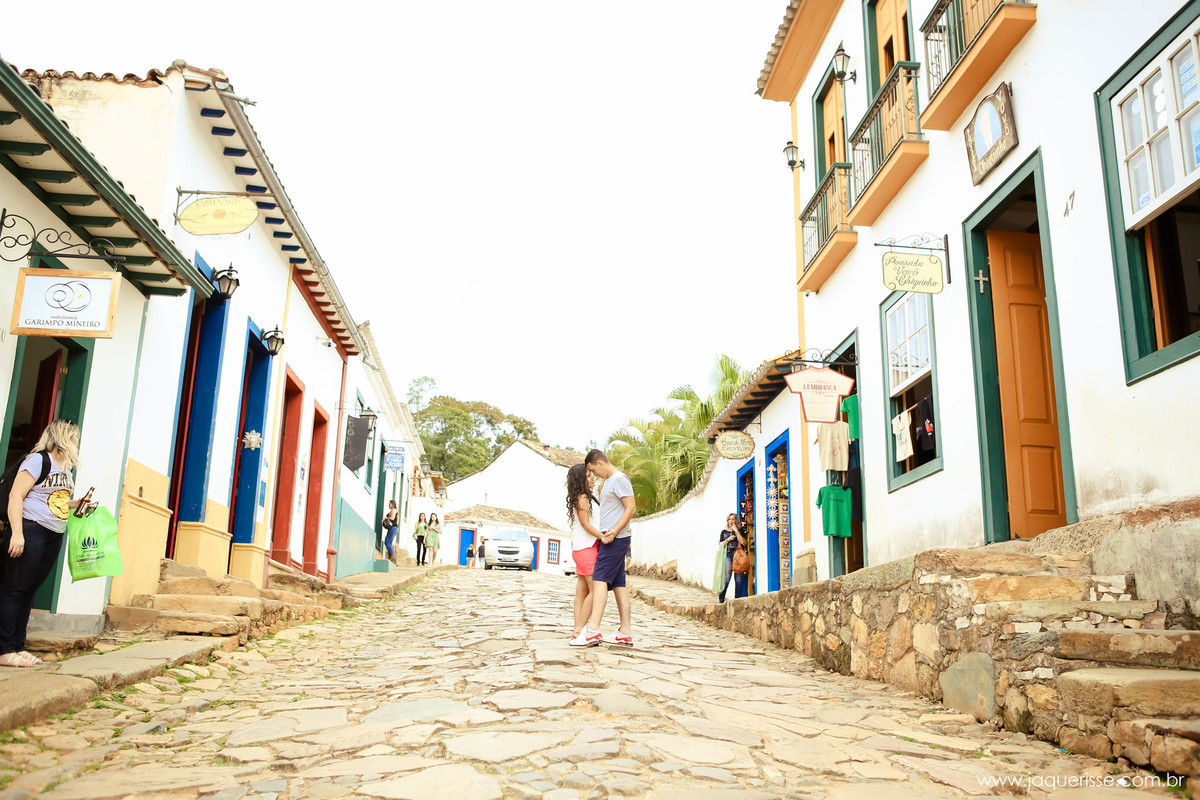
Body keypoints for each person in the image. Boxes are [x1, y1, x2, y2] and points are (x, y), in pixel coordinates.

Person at [1, 420, 90, 667]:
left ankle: (18, 646)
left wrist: (76, 503)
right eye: (74, 437)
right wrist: (17, 533)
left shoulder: (65, 468)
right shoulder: (38, 461)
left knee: (29, 590)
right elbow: (16, 496)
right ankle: (4, 650)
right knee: (16, 589)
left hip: (53, 533)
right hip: (31, 529)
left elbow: (52, 499)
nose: (77, 442)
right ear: (64, 438)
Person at [570, 449, 635, 647]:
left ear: (600, 463)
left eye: (592, 470)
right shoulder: (609, 482)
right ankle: (625, 632)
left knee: (599, 580)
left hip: (613, 538)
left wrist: (615, 532)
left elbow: (631, 508)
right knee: (619, 584)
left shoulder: (619, 479)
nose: (593, 475)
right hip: (612, 538)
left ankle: (592, 630)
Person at [564, 463, 603, 639]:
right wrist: (603, 537)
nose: (592, 477)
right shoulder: (583, 498)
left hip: (582, 548)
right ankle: (579, 630)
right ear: (581, 479)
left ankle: (576, 630)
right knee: (596, 591)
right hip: (587, 548)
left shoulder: (583, 497)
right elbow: (586, 524)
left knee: (582, 592)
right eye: (588, 475)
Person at [717, 513, 746, 603]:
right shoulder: (724, 532)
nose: (731, 521)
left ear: (736, 520)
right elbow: (721, 544)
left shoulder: (740, 531)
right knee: (727, 578)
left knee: (738, 579)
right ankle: (721, 597)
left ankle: (737, 600)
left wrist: (736, 531)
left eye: (733, 519)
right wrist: (729, 539)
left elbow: (743, 542)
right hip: (728, 555)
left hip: (738, 556)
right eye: (729, 519)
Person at [382, 500, 399, 565]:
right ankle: (391, 557)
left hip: (393, 528)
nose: (388, 505)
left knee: (387, 542)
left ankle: (392, 556)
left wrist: (386, 518)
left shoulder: (394, 510)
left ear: (392, 504)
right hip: (393, 528)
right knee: (389, 542)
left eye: (389, 504)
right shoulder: (394, 510)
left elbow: (392, 518)